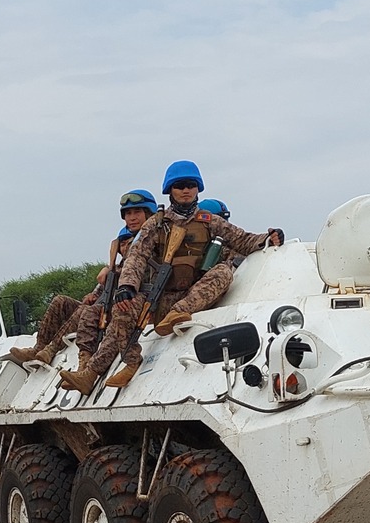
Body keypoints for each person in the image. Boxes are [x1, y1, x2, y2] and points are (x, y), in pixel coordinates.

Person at [63, 161, 282, 392]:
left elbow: (243, 240)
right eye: (179, 186)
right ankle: (127, 362)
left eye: (190, 185)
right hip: (160, 297)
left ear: (198, 188)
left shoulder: (209, 221)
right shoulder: (156, 225)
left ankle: (177, 314)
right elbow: (137, 256)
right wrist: (127, 286)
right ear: (170, 190)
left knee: (223, 272)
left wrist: (268, 238)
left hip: (191, 297)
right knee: (123, 308)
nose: (186, 190)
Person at [3, 189, 157, 367]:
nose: (132, 218)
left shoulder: (151, 246)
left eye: (137, 212)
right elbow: (103, 289)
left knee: (86, 311)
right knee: (60, 302)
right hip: (104, 306)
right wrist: (97, 290)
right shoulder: (120, 263)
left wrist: (112, 273)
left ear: (148, 213)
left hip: (126, 309)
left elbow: (139, 276)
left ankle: (53, 350)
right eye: (128, 214)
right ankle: (39, 347)